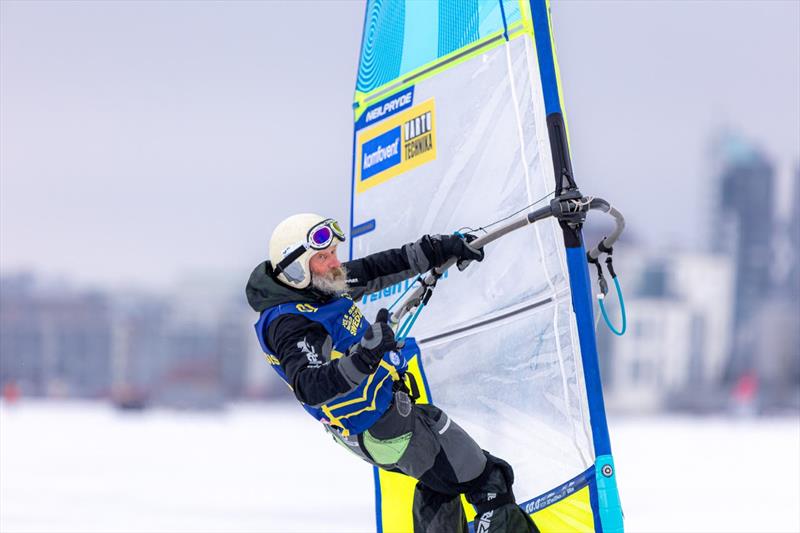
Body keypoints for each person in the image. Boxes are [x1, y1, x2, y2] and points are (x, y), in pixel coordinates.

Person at [246, 213, 539, 533]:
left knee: (441, 486)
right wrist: (365, 356)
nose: (334, 262)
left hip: (380, 426)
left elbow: (377, 268)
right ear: (296, 268)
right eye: (322, 257)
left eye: (333, 253)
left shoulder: (322, 285)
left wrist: (441, 248)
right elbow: (309, 385)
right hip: (382, 427)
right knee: (489, 482)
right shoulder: (291, 323)